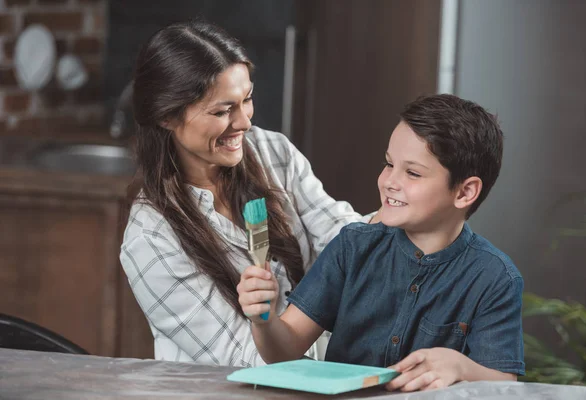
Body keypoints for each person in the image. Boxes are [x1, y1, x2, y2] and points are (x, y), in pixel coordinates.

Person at [119, 19, 376, 367]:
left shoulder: (273, 153)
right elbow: (248, 359)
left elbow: (346, 242)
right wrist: (266, 322)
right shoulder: (150, 240)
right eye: (223, 111)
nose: (245, 122)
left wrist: (394, 216)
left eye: (247, 99)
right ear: (166, 116)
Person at [238, 94, 525, 391]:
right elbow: (283, 351)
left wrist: (460, 366)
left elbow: (504, 384)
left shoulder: (494, 277)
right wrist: (265, 321)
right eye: (389, 164)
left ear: (465, 192)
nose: (389, 181)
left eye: (412, 172)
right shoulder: (352, 247)